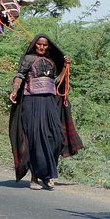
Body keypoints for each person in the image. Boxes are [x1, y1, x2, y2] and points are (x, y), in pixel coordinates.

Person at [9, 34, 83, 190]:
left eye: (44, 45)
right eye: (39, 45)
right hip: (32, 103)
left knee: (57, 137)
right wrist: (15, 90)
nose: (41, 47)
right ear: (35, 45)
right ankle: (34, 178)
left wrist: (64, 67)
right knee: (36, 139)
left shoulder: (51, 62)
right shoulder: (28, 59)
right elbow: (19, 76)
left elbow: (56, 81)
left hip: (49, 103)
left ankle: (46, 173)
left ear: (48, 47)